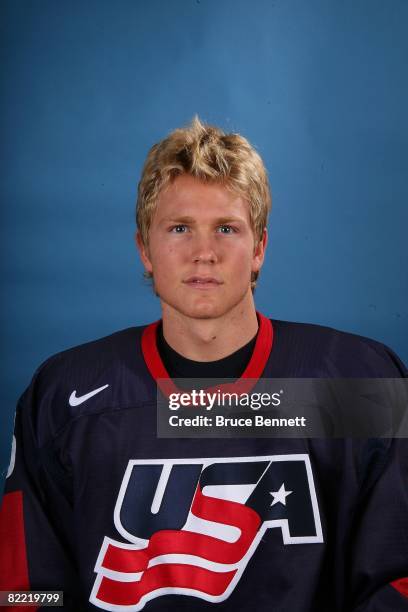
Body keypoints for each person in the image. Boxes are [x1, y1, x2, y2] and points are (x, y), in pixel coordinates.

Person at [0, 117, 407, 611]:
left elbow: (397, 579)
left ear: (259, 248)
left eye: (227, 229)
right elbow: (25, 591)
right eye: (179, 228)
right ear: (144, 249)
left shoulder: (357, 385)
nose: (203, 253)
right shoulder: (66, 396)